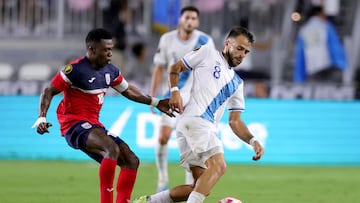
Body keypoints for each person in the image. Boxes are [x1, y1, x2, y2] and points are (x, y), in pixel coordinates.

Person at [32, 28, 175, 203]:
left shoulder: (111, 71)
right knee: (111, 149)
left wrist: (155, 102)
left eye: (111, 49)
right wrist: (42, 117)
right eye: (105, 49)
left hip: (94, 125)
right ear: (92, 50)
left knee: (131, 160)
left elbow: (128, 90)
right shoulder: (75, 70)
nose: (109, 53)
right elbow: (48, 91)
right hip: (74, 125)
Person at [133, 26, 264, 203]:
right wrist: (174, 91)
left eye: (246, 52)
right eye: (239, 48)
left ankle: (148, 201)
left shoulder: (237, 83)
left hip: (191, 127)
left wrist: (252, 140)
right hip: (197, 122)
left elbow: (235, 122)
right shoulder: (207, 53)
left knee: (199, 186)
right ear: (227, 44)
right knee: (218, 166)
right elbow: (176, 67)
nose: (242, 54)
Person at [149, 6, 216, 192]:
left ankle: (189, 181)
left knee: (192, 142)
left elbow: (210, 71)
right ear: (181, 19)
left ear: (197, 22)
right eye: (187, 17)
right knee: (163, 137)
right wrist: (153, 96)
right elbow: (159, 68)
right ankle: (162, 179)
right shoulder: (167, 39)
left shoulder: (205, 41)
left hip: (194, 100)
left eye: (194, 18)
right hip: (171, 95)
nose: (190, 21)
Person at [294, 5, 347, 83]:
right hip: (328, 67)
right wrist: (341, 64)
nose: (326, 16)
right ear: (319, 14)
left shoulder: (304, 31)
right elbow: (335, 47)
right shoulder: (326, 26)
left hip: (312, 69)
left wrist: (299, 77)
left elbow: (300, 55)